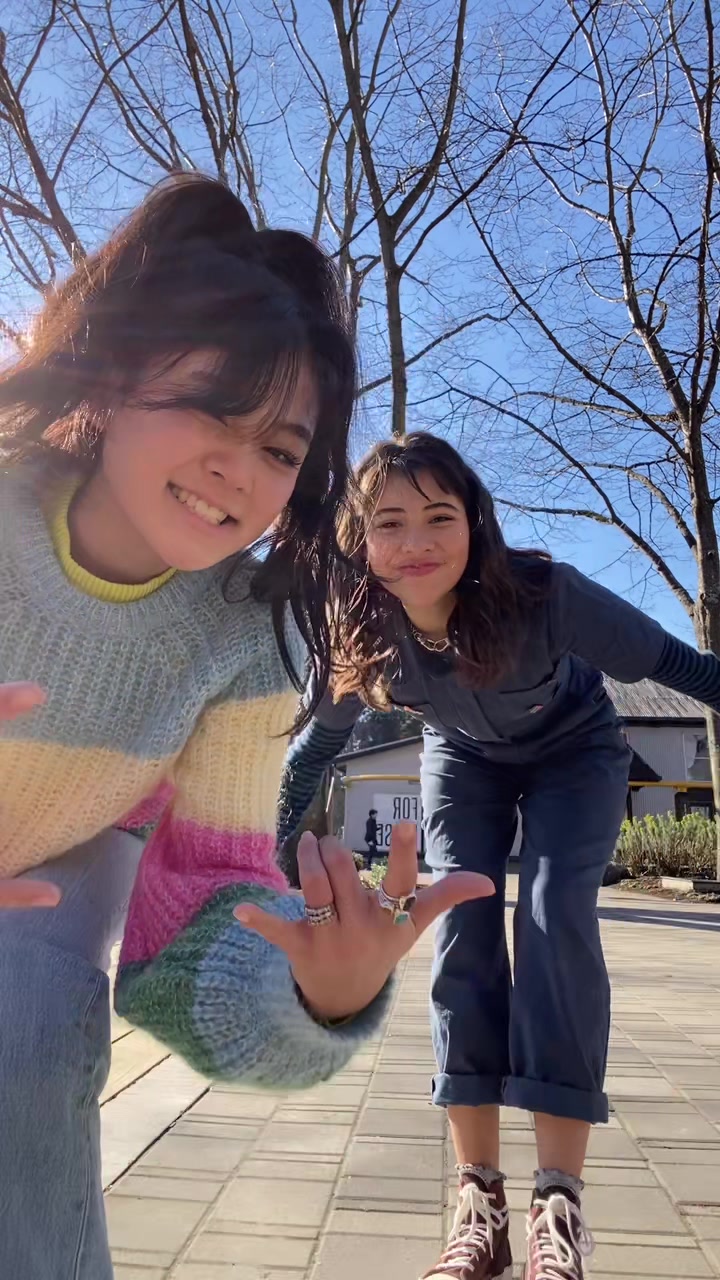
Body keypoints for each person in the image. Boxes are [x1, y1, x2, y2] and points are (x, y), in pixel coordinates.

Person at [0, 187, 491, 1280]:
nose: (238, 469)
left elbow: (196, 918)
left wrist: (319, 988)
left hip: (46, 880)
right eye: (209, 408)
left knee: (24, 1018)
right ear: (115, 381)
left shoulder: (242, 637)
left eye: (278, 447)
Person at [277, 431, 720, 1280]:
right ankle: (478, 1200)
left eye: (438, 517)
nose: (415, 543)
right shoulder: (361, 631)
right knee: (459, 921)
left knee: (553, 916)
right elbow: (311, 755)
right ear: (360, 541)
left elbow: (681, 665)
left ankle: (560, 1202)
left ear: (475, 523)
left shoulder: (548, 596)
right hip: (463, 758)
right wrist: (261, 855)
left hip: (575, 751)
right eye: (389, 523)